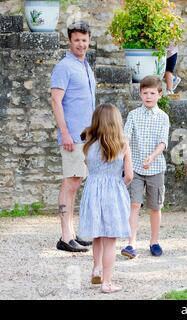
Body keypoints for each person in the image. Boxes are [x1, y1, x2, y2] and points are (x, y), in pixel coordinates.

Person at [50, 21, 96, 252]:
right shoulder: (64, 67)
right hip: (72, 137)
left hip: (87, 137)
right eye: (76, 40)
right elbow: (56, 101)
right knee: (71, 182)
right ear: (70, 41)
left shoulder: (86, 66)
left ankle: (72, 232)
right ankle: (65, 236)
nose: (81, 44)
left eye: (84, 40)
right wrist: (64, 133)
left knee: (77, 182)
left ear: (89, 41)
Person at [78, 104, 133, 294]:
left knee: (97, 235)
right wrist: (118, 185)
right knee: (110, 240)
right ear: (117, 122)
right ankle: (107, 283)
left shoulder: (89, 144)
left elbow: (89, 168)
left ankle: (96, 268)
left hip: (93, 192)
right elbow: (129, 176)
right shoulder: (123, 143)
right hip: (113, 192)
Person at [120, 76, 170, 259]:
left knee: (155, 208)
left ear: (159, 94)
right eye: (145, 93)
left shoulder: (163, 117)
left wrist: (152, 156)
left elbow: (163, 142)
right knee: (134, 204)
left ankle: (154, 241)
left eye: (152, 93)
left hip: (156, 167)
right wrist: (128, 160)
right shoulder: (133, 115)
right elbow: (126, 138)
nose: (148, 96)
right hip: (136, 169)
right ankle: (130, 243)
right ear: (140, 94)